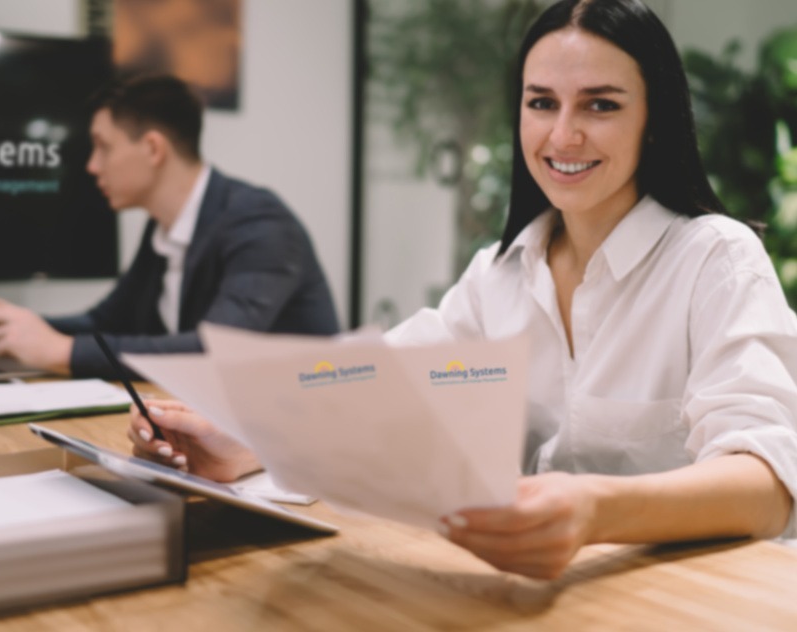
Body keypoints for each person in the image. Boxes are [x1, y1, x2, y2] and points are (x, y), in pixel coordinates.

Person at [128, 0, 797, 580]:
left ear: (653, 119)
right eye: (541, 103)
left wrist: (593, 509)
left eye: (601, 104)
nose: (563, 135)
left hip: (681, 600)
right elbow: (377, 384)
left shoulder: (715, 258)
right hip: (529, 595)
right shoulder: (502, 272)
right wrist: (247, 442)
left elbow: (768, 484)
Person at [0, 75, 339, 378]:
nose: (92, 166)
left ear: (153, 149)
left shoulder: (260, 223)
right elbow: (109, 320)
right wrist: (22, 327)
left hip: (294, 433)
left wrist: (62, 351)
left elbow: (214, 351)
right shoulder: (163, 227)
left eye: (103, 147)